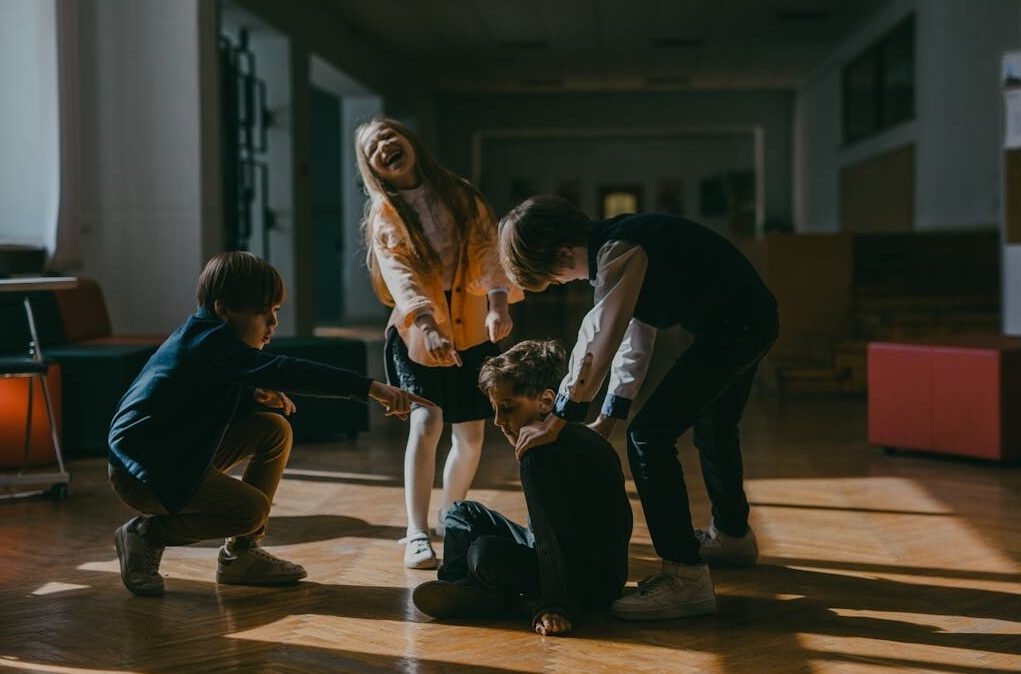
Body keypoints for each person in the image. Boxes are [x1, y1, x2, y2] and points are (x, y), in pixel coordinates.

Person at [498, 196, 779, 620]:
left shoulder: (618, 250)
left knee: (649, 436)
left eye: (555, 279)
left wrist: (561, 416)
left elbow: (600, 335)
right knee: (714, 424)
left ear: (560, 254)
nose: (565, 283)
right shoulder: (624, 244)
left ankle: (685, 576)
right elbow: (634, 338)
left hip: (735, 327)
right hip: (748, 320)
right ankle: (733, 536)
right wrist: (608, 416)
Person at [107, 251, 431, 597]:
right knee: (251, 510)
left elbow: (190, 400)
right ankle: (144, 535)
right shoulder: (208, 344)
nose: (273, 324)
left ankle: (240, 557)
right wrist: (369, 388)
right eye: (264, 313)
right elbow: (286, 369)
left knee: (272, 429)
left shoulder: (208, 338)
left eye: (275, 311)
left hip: (174, 455)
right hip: (143, 474)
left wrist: (251, 397)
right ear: (223, 309)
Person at [355, 118, 523, 569]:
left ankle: (454, 518)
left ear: (410, 141)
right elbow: (400, 275)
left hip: (470, 330)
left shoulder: (460, 194)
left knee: (470, 436)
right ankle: (415, 530)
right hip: (416, 332)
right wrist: (426, 323)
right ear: (373, 169)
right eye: (373, 148)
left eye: (390, 136)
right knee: (426, 422)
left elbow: (490, 251)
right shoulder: (385, 214)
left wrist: (498, 303)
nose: (385, 146)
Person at [412, 340, 631, 636]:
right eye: (495, 410)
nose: (499, 422)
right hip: (574, 560)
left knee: (482, 552)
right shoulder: (575, 436)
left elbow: (550, 535)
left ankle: (482, 593)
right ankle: (462, 588)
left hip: (585, 581)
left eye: (507, 407)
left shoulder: (538, 455)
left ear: (546, 401)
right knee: (460, 511)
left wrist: (553, 605)